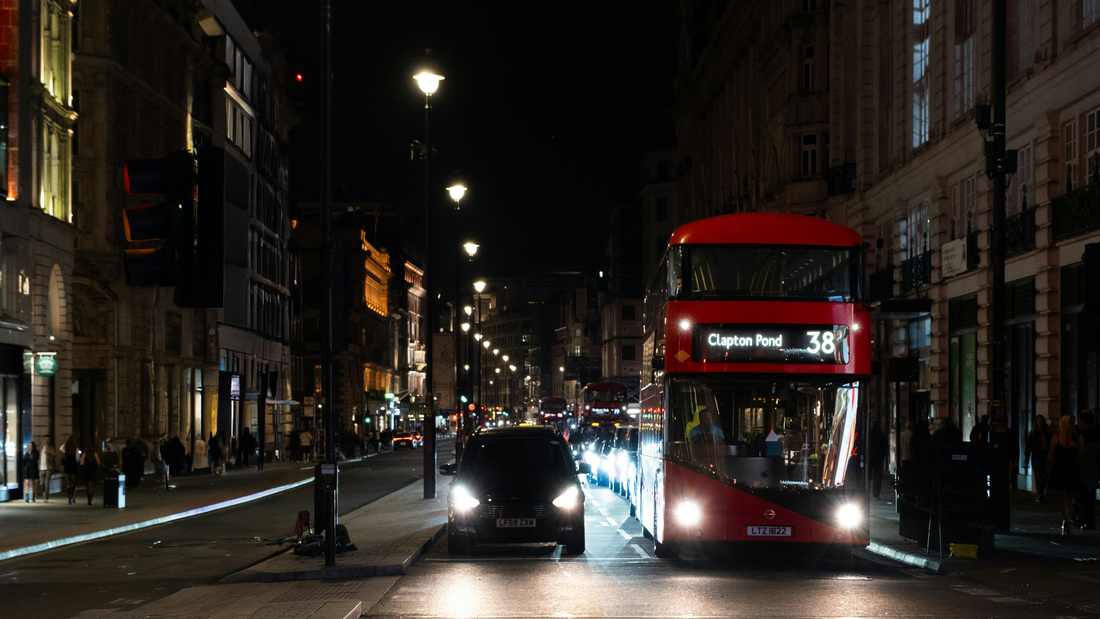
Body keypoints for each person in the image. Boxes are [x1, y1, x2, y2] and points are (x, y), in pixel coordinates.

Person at [1045, 414, 1080, 535]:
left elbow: (1082, 455)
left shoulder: (1077, 437)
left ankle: (1066, 521)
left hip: (1071, 469)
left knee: (1069, 497)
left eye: (1073, 422)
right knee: (1064, 496)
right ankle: (1067, 524)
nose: (1073, 425)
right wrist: (1046, 470)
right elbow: (1051, 455)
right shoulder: (1056, 437)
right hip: (1061, 469)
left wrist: (1075, 446)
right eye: (1071, 422)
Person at [1075, 411, 1099, 530]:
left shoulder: (1082, 435)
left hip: (1084, 468)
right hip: (1095, 467)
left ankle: (1086, 521)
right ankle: (1091, 521)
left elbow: (1081, 453)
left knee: (1083, 497)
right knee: (1091, 496)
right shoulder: (1097, 433)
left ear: (1083, 422)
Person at [1025, 414, 1053, 501]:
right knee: (1038, 474)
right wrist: (1026, 459)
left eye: (1040, 420)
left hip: (1045, 455)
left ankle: (1040, 491)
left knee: (1045, 474)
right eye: (1038, 421)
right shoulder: (1033, 433)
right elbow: (1028, 447)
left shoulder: (1048, 432)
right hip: (1036, 455)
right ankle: (1039, 493)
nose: (1039, 422)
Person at [869, 420, 889, 499]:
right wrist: (883, 455)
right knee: (877, 477)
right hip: (878, 458)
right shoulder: (881, 435)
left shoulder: (869, 434)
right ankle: (876, 493)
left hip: (870, 457)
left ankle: (867, 490)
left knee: (868, 475)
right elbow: (885, 447)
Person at [38, 434, 57, 503]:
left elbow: (54, 457)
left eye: (48, 439)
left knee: (47, 482)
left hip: (48, 467)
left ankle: (46, 496)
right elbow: (39, 457)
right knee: (41, 483)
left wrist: (49, 453)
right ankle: (44, 492)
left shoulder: (52, 448)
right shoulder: (41, 448)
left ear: (50, 440)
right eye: (45, 439)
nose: (46, 441)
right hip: (41, 467)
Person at [62, 436, 80, 505]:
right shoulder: (75, 448)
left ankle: (69, 498)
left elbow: (61, 449)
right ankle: (72, 496)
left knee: (68, 482)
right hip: (73, 465)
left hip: (67, 466)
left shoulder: (65, 446)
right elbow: (77, 459)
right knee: (73, 482)